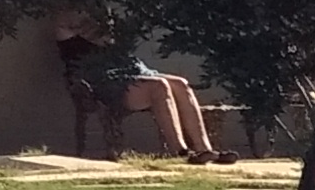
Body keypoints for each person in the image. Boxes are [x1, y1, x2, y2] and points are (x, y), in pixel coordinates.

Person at [52, 12, 220, 164]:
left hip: (133, 71)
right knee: (158, 86)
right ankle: (179, 150)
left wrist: (104, 32)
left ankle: (204, 149)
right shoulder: (69, 38)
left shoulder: (111, 41)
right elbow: (65, 23)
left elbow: (108, 32)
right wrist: (86, 27)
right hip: (105, 82)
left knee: (181, 84)